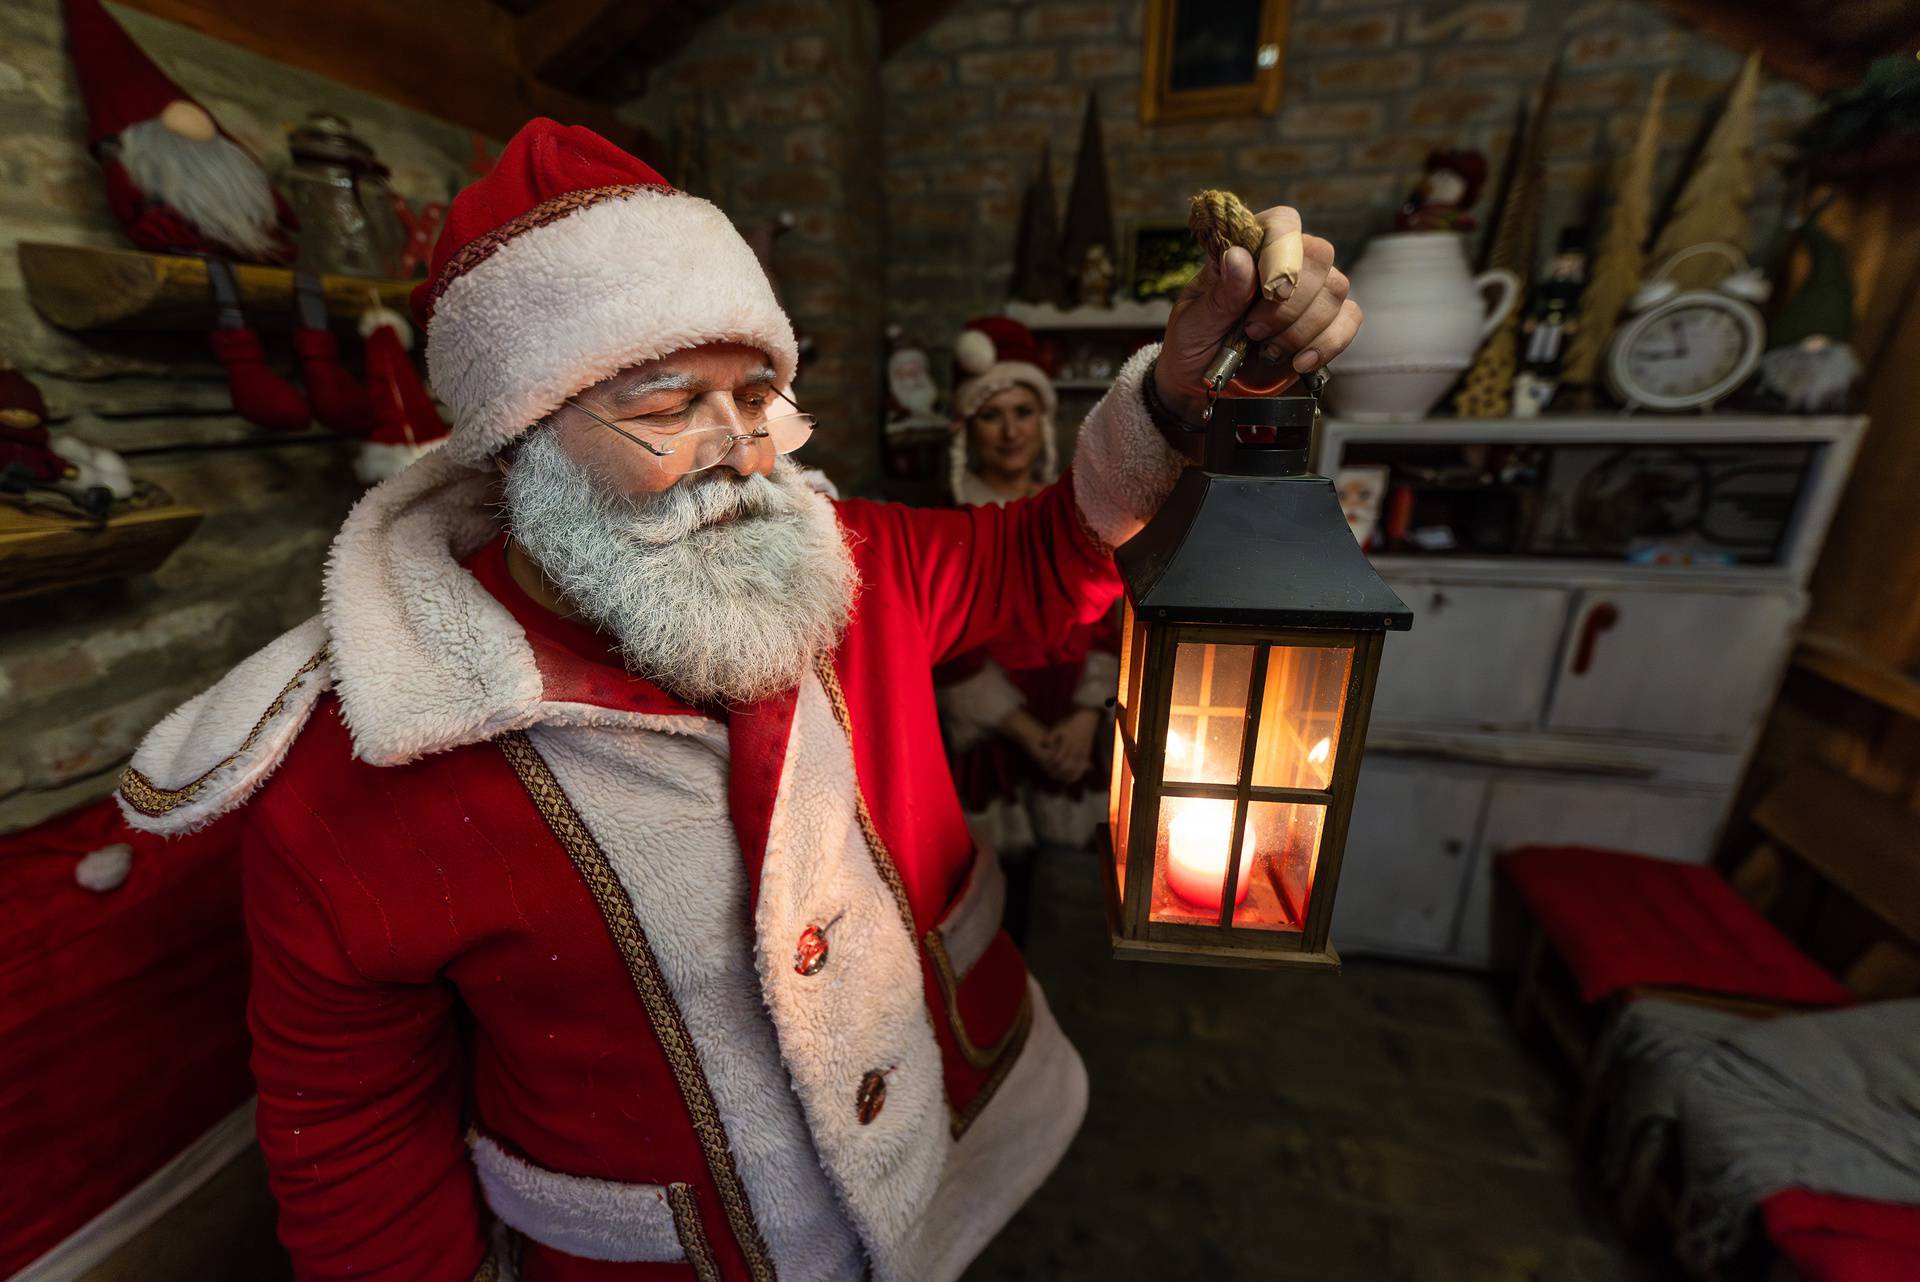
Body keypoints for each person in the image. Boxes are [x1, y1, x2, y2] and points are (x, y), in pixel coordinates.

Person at [116, 119, 1360, 1282]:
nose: (744, 449)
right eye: (666, 403)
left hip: (959, 1164)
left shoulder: (842, 554)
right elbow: (353, 1145)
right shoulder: (355, 771)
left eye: (758, 392)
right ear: (514, 444)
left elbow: (1041, 564)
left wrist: (1176, 399)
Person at [934, 318, 1115, 941]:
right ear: (968, 428)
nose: (1010, 431)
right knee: (989, 892)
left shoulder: (1075, 520)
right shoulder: (953, 526)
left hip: (1069, 713)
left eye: (1023, 411)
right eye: (992, 415)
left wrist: (1089, 716)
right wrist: (1023, 731)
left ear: (1043, 420)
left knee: (1045, 891)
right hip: (999, 728)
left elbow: (1111, 619)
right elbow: (948, 647)